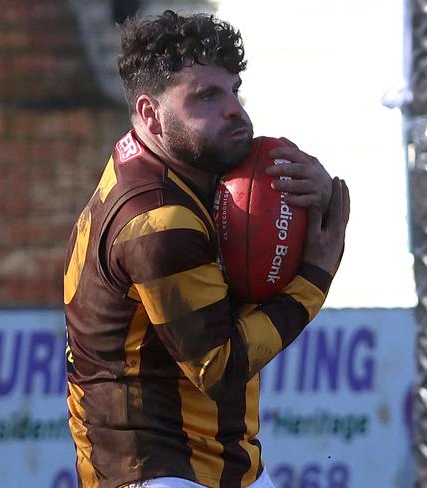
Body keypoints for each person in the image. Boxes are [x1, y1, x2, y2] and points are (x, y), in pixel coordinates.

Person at [63, 9, 350, 488]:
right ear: (152, 115)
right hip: (158, 473)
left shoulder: (173, 165)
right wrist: (314, 279)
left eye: (233, 89)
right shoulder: (157, 219)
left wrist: (317, 194)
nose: (234, 108)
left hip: (217, 467)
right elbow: (218, 365)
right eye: (206, 96)